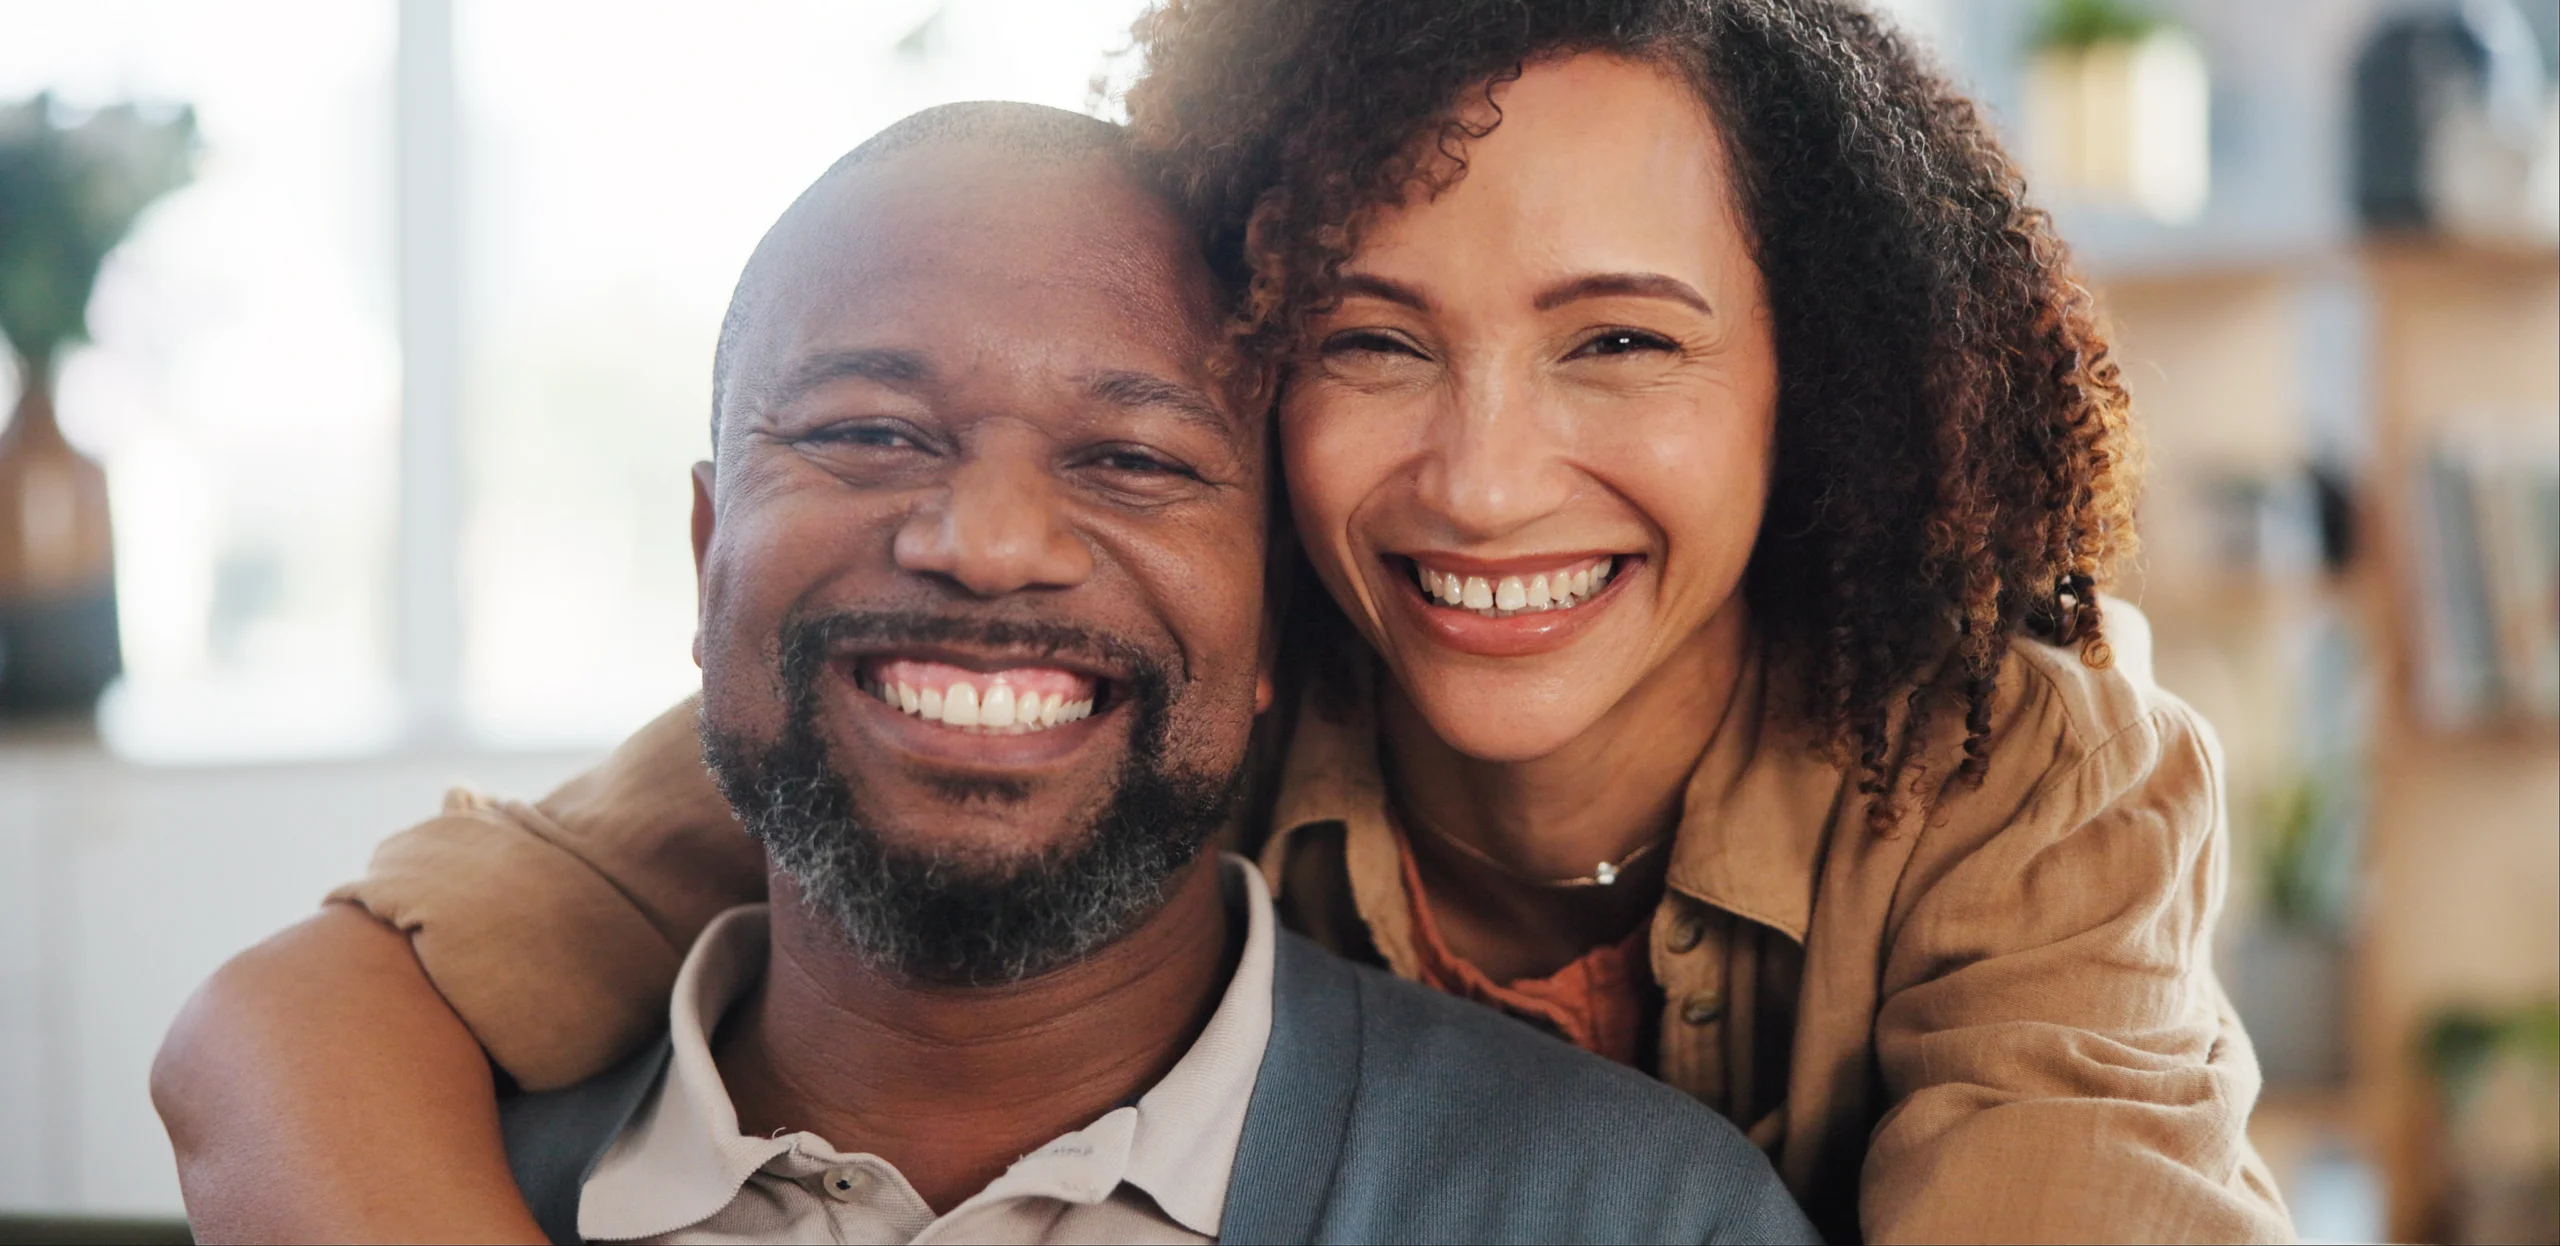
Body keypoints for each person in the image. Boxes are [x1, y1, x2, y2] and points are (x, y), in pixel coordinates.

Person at [157, 0, 2295, 1242]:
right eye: (1370, 341)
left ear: (1799, 386)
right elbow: (289, 1027)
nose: (1480, 477)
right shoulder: (1101, 684)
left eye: (1619, 340)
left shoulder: (1996, 761)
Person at [158, 101, 1817, 1245]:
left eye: (1139, 459)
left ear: (1275, 637)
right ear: (703, 551)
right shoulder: (395, 1181)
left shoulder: (1628, 1213)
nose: (991, 539)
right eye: (868, 431)